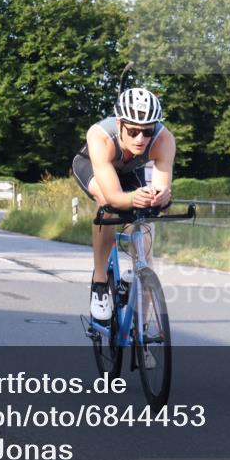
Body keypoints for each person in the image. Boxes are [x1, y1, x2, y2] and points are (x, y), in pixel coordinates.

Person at [72, 88, 176, 321]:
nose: (141, 139)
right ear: (120, 124)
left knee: (143, 215)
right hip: (94, 166)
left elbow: (161, 187)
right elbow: (112, 195)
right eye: (133, 131)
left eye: (147, 131)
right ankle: (100, 281)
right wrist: (131, 198)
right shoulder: (100, 136)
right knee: (107, 204)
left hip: (130, 170)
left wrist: (160, 198)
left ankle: (144, 332)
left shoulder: (164, 140)